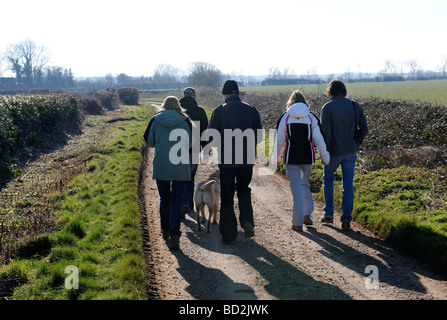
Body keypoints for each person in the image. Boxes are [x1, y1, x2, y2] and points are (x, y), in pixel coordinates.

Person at [207, 80, 263, 244]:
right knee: (244, 189)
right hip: (246, 159)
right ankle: (247, 221)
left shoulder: (219, 111)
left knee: (227, 195)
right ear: (238, 93)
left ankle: (229, 234)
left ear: (225, 94)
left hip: (227, 161)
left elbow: (212, 138)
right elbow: (259, 136)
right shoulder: (252, 110)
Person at [274, 90, 330, 231]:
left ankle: (297, 222)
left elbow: (279, 140)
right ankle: (307, 215)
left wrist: (276, 157)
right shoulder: (311, 118)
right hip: (307, 157)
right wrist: (325, 157)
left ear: (290, 102)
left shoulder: (285, 118)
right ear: (304, 102)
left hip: (291, 157)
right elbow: (319, 140)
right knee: (304, 184)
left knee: (295, 188)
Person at [143, 96, 193, 250]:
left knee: (164, 198)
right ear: (178, 106)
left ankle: (165, 229)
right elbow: (191, 143)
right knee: (176, 199)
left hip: (162, 165)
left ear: (163, 106)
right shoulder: (185, 121)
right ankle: (175, 234)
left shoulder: (155, 120)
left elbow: (149, 141)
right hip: (180, 166)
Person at [320, 79, 368, 231]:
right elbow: (364, 128)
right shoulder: (354, 105)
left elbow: (326, 133)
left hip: (333, 152)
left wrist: (324, 152)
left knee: (328, 180)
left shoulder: (327, 108)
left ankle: (328, 214)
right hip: (350, 151)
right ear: (344, 90)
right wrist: (357, 142)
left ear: (330, 91)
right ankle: (346, 219)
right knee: (347, 185)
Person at [179, 87, 209, 218]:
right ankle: (189, 205)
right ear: (194, 97)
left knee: (179, 178)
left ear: (183, 96)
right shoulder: (200, 111)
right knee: (190, 178)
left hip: (178, 150)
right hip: (195, 150)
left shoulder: (176, 110)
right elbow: (205, 132)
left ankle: (183, 203)